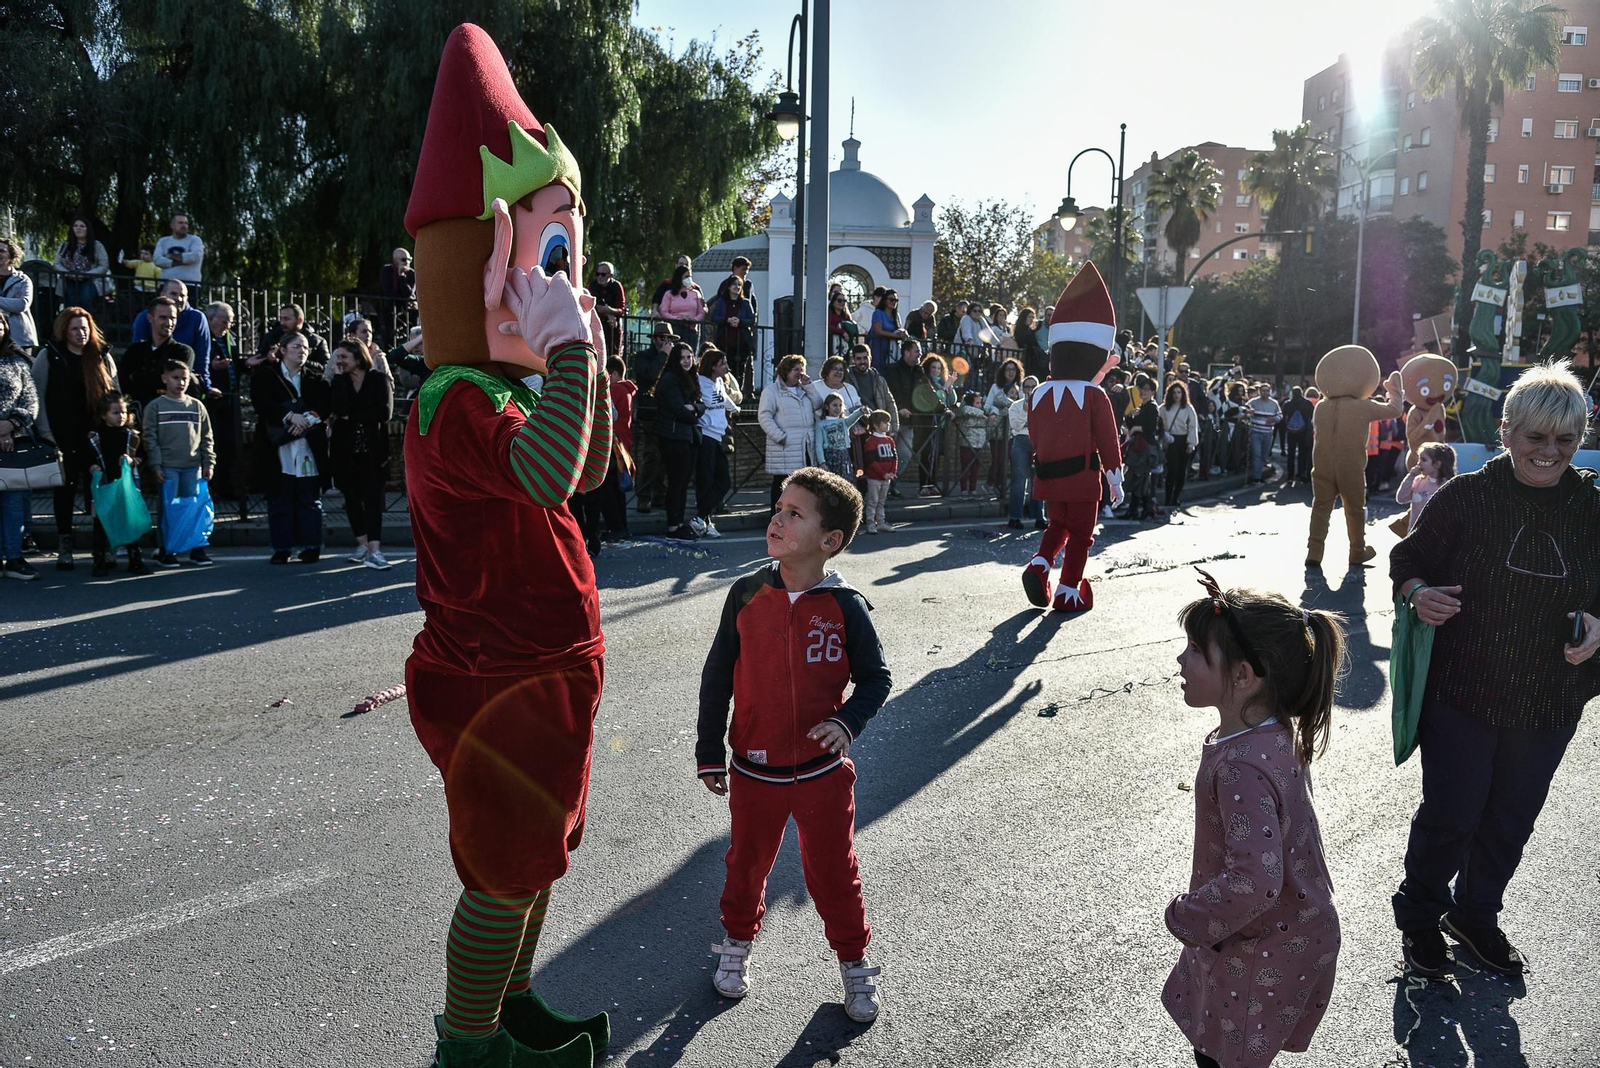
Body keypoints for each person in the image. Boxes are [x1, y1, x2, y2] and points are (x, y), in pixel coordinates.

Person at [1389, 360, 1600, 979]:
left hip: (1551, 696)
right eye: (1535, 436)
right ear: (1506, 431)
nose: (1549, 452)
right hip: (1461, 690)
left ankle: (1476, 914)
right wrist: (1418, 591)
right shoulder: (1465, 497)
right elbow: (1409, 557)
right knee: (1453, 813)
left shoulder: (1592, 508)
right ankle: (1422, 918)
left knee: (1511, 816)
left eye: (1565, 439)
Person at [698, 467, 891, 1024]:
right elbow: (717, 675)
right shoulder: (745, 593)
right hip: (755, 773)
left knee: (834, 873)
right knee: (745, 867)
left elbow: (876, 678)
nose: (776, 519)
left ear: (829, 542)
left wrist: (848, 723)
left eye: (794, 513)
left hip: (823, 776)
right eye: (778, 508)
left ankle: (854, 965)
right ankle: (734, 948)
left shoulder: (846, 605)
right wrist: (710, 749)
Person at [1166, 571, 1346, 1068]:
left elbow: (1254, 881)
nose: (1182, 659)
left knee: (1223, 1059)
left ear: (1243, 675)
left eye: (1196, 650)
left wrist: (1187, 916)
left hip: (1258, 944)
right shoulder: (1269, 734)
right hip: (1274, 933)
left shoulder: (1241, 766)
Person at [33, 306, 118, 570]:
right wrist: (46, 433)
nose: (81, 333)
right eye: (74, 328)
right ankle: (65, 545)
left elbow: (115, 396)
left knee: (100, 493)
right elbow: (38, 397)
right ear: (63, 330)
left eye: (84, 328)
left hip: (96, 436)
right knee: (65, 492)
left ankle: (103, 547)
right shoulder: (50, 355)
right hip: (62, 436)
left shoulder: (102, 356)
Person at [250, 332, 330, 564]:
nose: (302, 351)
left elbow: (325, 405)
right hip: (277, 447)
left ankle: (312, 546)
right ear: (283, 349)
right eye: (297, 346)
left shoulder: (316, 377)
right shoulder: (266, 376)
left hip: (308, 445)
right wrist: (288, 416)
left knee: (309, 498)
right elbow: (262, 404)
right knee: (280, 498)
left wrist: (305, 420)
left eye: (305, 347)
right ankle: (282, 548)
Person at [329, 336, 395, 570]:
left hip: (373, 451)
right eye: (338, 357)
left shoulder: (378, 379)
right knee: (352, 499)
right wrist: (337, 379)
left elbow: (384, 413)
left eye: (344, 357)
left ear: (359, 357)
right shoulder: (340, 381)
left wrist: (352, 416)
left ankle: (375, 551)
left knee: (373, 500)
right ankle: (363, 544)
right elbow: (339, 409)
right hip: (345, 452)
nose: (340, 361)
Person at [143, 360, 216, 567]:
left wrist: (208, 463)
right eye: (176, 378)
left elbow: (206, 437)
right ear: (165, 378)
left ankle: (197, 548)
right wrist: (156, 464)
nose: (181, 383)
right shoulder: (156, 406)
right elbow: (150, 438)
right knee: (170, 510)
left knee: (195, 507)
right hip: (168, 467)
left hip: (192, 466)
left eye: (184, 378)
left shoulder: (196, 406)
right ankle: (167, 549)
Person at [85, 391, 148, 576]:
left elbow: (141, 458)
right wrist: (92, 467)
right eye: (115, 413)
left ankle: (135, 558)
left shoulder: (131, 436)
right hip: (104, 485)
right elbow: (87, 458)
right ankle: (100, 559)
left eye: (123, 412)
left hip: (125, 486)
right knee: (101, 522)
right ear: (104, 414)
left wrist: (131, 461)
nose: (121, 416)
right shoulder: (94, 437)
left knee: (130, 521)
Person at [0, 309, 41, 580]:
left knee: (14, 503)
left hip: (12, 443)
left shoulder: (17, 360)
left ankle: (14, 558)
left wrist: (11, 425)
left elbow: (31, 401)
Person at [653, 341, 702, 540]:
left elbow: (699, 406)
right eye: (682, 357)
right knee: (676, 483)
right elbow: (680, 410)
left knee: (682, 484)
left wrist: (695, 409)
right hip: (673, 437)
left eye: (689, 357)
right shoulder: (670, 379)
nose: (686, 361)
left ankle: (679, 523)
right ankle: (673, 526)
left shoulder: (688, 378)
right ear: (675, 359)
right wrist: (693, 411)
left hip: (685, 436)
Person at [130, 279, 214, 393]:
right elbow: (137, 353)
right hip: (151, 373)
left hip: (183, 377)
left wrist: (206, 386)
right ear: (162, 295)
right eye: (173, 294)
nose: (178, 299)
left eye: (182, 295)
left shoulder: (197, 318)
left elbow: (202, 357)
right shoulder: (144, 317)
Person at [691, 348, 739, 539]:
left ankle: (701, 518)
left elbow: (725, 400)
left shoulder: (719, 381)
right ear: (712, 366)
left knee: (723, 481)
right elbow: (708, 403)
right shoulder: (701, 382)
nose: (727, 367)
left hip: (718, 435)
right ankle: (703, 519)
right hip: (706, 435)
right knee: (706, 480)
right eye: (723, 364)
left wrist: (735, 408)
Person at [759, 355, 817, 509]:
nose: (799, 373)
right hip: (785, 446)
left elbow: (818, 405)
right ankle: (776, 517)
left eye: (801, 369)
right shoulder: (771, 391)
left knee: (802, 485)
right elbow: (764, 416)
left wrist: (809, 386)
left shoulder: (805, 389)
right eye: (795, 369)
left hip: (805, 445)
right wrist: (779, 436)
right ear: (786, 371)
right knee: (782, 484)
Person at [630, 322, 676, 514]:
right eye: (663, 338)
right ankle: (643, 496)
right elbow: (650, 375)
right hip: (649, 413)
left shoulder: (673, 358)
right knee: (651, 455)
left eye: (669, 340)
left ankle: (660, 495)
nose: (666, 343)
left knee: (666, 456)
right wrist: (663, 355)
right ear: (655, 339)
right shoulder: (643, 357)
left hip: (668, 412)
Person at [121, 297, 197, 407]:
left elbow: (173, 385)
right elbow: (123, 381)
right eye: (163, 318)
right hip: (136, 412)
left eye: (173, 318)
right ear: (150, 318)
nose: (169, 323)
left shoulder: (183, 352)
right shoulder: (135, 350)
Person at [882, 340, 923, 497]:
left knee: (905, 454)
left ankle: (892, 484)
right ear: (906, 352)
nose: (919, 354)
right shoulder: (892, 370)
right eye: (916, 351)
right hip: (891, 421)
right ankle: (884, 487)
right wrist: (899, 409)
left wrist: (944, 409)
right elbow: (891, 392)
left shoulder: (919, 371)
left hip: (909, 421)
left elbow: (926, 392)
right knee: (887, 455)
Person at [914, 353, 958, 497]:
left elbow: (952, 400)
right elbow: (935, 399)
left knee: (936, 456)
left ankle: (932, 485)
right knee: (927, 456)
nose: (936, 371)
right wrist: (945, 387)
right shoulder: (925, 381)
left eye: (939, 368)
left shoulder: (941, 382)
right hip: (928, 425)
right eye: (933, 367)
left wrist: (950, 389)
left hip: (941, 425)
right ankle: (924, 486)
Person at [52, 216, 111, 310]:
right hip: (69, 279)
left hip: (91, 280)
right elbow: (57, 264)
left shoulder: (97, 245)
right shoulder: (65, 245)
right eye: (75, 226)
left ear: (88, 229)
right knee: (71, 303)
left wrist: (86, 274)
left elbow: (103, 266)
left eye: (82, 226)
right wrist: (68, 273)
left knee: (85, 298)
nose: (78, 228)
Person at [707, 276, 755, 387]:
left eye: (739, 285)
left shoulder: (746, 303)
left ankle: (738, 391)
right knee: (724, 367)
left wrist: (740, 321)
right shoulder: (722, 302)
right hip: (724, 340)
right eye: (734, 284)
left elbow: (752, 319)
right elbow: (714, 317)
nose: (737, 287)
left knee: (740, 370)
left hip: (741, 342)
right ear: (728, 287)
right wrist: (727, 320)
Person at [985, 358, 1024, 495]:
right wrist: (996, 411)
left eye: (1013, 369)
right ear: (1003, 372)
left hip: (1014, 429)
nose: (1011, 372)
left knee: (1011, 459)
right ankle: (991, 484)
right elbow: (988, 405)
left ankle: (1006, 488)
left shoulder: (1021, 388)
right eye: (1008, 369)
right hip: (997, 428)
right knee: (998, 458)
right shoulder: (996, 387)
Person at [1395, 440, 1454, 529]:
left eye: (1423, 460)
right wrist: (1411, 476)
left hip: (1436, 535)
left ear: (1437, 464)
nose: (1419, 463)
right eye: (1419, 458)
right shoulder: (1418, 481)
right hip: (1414, 534)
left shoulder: (1447, 485)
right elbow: (1401, 498)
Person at [1007, 376, 1041, 530]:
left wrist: (1029, 422)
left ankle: (1039, 516)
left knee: (1039, 480)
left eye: (1033, 386)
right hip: (1021, 441)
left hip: (1039, 442)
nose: (1030, 390)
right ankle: (1015, 517)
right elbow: (1015, 426)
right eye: (1027, 386)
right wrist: (1025, 413)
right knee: (1019, 479)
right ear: (1022, 388)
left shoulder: (1043, 405)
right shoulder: (1016, 406)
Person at [1159, 381, 1198, 508]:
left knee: (1182, 471)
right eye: (1174, 392)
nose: (1176, 395)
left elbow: (1193, 426)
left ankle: (1176, 497)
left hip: (1184, 440)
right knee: (1172, 470)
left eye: (1179, 392)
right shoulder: (1164, 408)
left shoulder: (1188, 408)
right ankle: (1168, 497)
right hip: (1170, 440)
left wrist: (1191, 443)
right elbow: (1159, 422)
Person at [814, 391, 867, 481]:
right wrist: (822, 462)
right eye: (834, 405)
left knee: (845, 480)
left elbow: (853, 417)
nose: (838, 408)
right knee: (831, 481)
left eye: (840, 405)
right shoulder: (821, 424)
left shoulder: (843, 422)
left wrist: (861, 411)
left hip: (843, 455)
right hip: (830, 455)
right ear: (827, 407)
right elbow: (818, 445)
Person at [859, 410, 898, 534]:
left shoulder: (890, 440)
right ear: (876, 425)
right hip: (874, 478)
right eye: (885, 422)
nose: (888, 425)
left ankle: (881, 522)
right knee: (872, 501)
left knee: (881, 501)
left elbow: (894, 458)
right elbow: (871, 461)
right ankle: (870, 523)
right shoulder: (871, 441)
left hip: (886, 478)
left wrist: (892, 472)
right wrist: (883, 473)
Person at [256, 304, 330, 367]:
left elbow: (325, 368)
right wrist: (268, 359)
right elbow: (257, 363)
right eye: (281, 319)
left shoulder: (317, 341)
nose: (282, 323)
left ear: (299, 320)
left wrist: (299, 361)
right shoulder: (271, 337)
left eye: (286, 319)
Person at [0, 237, 37, 353]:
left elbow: (22, 305)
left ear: (11, 255)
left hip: (21, 337)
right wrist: (11, 302)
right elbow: (15, 305)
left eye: (2, 251)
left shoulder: (23, 280)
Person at [658, 266, 705, 349]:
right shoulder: (669, 294)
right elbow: (664, 312)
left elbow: (701, 312)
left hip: (692, 330)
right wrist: (678, 319)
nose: (689, 279)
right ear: (679, 278)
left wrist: (694, 320)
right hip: (675, 329)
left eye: (690, 276)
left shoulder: (696, 293)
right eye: (686, 276)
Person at [590, 261, 627, 361]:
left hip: (613, 326)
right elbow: (591, 303)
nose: (600, 277)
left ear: (611, 275)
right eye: (597, 274)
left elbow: (621, 309)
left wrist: (610, 310)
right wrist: (607, 312)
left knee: (614, 353)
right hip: (597, 323)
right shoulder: (593, 285)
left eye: (603, 274)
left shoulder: (617, 287)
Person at [153, 212, 204, 282]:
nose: (184, 225)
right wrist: (182, 261)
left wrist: (170, 256)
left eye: (186, 223)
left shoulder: (195, 240)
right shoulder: (163, 241)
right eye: (180, 223)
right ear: (172, 225)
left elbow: (195, 256)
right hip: (167, 284)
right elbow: (157, 260)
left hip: (190, 284)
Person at [379, 247, 418, 339]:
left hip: (408, 308)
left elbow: (409, 293)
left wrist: (402, 277)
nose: (407, 262)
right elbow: (387, 291)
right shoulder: (387, 270)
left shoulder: (412, 274)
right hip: (391, 308)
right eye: (404, 259)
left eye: (409, 259)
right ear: (395, 261)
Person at [867, 288, 909, 371]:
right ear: (885, 300)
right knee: (878, 370)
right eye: (891, 299)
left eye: (896, 300)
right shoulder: (878, 313)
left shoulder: (896, 316)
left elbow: (899, 329)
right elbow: (878, 331)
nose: (894, 302)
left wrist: (903, 333)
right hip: (878, 346)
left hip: (892, 348)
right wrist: (896, 336)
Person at [1279, 385, 1313, 485]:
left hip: (1291, 432)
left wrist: (1284, 430)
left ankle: (1290, 475)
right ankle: (1301, 474)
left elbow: (1282, 418)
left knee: (1291, 453)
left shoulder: (1288, 404)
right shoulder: (1307, 403)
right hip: (1303, 432)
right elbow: (1311, 417)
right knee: (1302, 453)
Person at [1012, 307, 1047, 382]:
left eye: (1032, 317)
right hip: (1028, 358)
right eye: (1029, 317)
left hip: (1034, 357)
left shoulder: (1031, 331)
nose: (1031, 319)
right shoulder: (1020, 330)